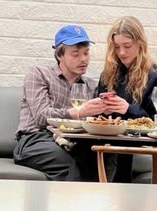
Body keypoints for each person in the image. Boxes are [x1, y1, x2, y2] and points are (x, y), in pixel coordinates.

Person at [13, 25, 116, 181]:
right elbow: (42, 116)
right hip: (35, 139)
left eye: (86, 53)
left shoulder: (91, 86)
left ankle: (99, 203)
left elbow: (94, 122)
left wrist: (106, 111)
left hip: (72, 141)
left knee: (105, 155)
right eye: (76, 54)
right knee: (66, 164)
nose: (84, 59)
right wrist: (79, 112)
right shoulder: (39, 74)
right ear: (60, 55)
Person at [97, 16, 157, 182]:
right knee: (88, 152)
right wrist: (102, 109)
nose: (121, 52)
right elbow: (99, 120)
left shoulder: (156, 78)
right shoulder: (108, 75)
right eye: (116, 47)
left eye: (127, 46)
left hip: (145, 146)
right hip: (113, 142)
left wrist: (127, 109)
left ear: (140, 44)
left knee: (115, 153)